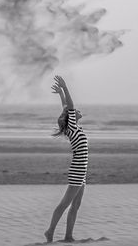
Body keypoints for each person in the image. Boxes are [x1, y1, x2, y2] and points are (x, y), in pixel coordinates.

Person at [44, 75, 88, 243]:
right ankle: (50, 231)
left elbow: (65, 107)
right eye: (75, 111)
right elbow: (69, 106)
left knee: (75, 206)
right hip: (77, 171)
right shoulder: (72, 127)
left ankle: (68, 236)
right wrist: (65, 87)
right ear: (72, 117)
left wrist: (61, 93)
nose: (77, 111)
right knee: (64, 204)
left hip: (82, 171)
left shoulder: (75, 127)